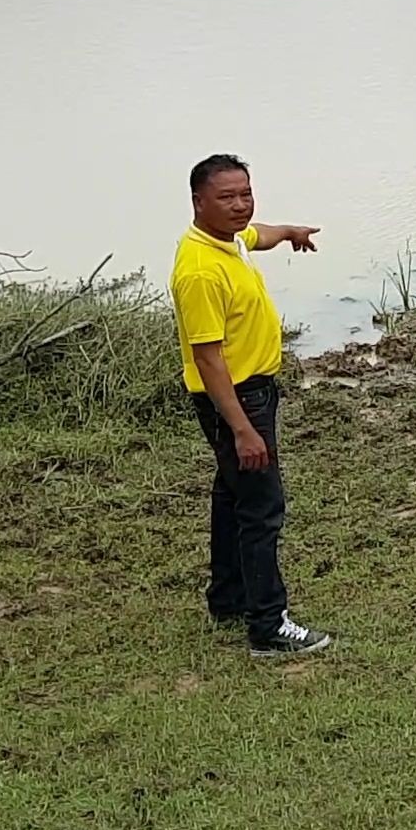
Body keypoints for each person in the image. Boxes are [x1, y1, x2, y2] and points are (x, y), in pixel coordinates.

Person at [172, 153, 333, 658]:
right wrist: (242, 428)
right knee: (262, 508)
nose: (240, 206)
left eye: (246, 194)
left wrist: (287, 231)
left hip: (253, 392)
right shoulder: (199, 271)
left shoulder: (225, 241)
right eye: (227, 197)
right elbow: (208, 357)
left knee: (233, 495)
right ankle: (268, 624)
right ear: (199, 202)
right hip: (236, 400)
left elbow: (253, 235)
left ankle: (228, 597)